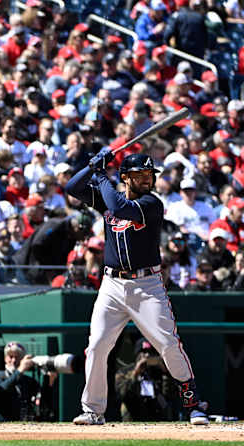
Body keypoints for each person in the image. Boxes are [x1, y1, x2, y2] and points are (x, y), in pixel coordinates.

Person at [66, 151, 210, 425]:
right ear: (125, 178)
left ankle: (194, 404)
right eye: (139, 175)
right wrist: (90, 167)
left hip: (146, 285)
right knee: (96, 345)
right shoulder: (109, 196)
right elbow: (73, 187)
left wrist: (101, 174)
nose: (147, 179)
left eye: (149, 175)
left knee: (168, 344)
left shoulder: (151, 203)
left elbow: (120, 209)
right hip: (111, 285)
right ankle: (93, 410)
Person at [0, 341, 56, 421]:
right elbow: (0, 391)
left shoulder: (29, 381)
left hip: (23, 425)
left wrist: (49, 382)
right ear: (5, 358)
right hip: (1, 424)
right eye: (10, 356)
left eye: (17, 357)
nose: (13, 360)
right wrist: (20, 370)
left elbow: (43, 403)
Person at [115, 338, 178, 422]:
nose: (147, 355)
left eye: (151, 353)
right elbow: (123, 394)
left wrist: (165, 372)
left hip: (159, 418)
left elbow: (171, 396)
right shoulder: (125, 372)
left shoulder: (159, 372)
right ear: (137, 354)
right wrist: (136, 373)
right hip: (132, 418)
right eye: (143, 352)